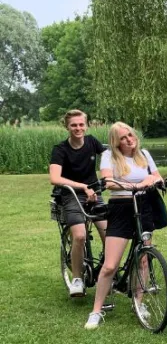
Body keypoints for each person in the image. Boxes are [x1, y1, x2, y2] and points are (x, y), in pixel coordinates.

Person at [84, 122, 163, 330]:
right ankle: (96, 310)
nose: (129, 139)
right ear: (115, 142)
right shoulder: (109, 156)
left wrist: (150, 181)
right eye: (123, 138)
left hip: (143, 207)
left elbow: (157, 177)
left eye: (130, 135)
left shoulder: (144, 154)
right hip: (120, 208)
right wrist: (139, 184)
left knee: (144, 258)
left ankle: (139, 303)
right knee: (110, 265)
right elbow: (108, 182)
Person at [49, 109, 108, 297]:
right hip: (71, 195)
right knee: (80, 236)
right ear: (67, 127)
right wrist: (83, 186)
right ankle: (77, 278)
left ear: (86, 125)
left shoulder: (92, 142)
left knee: (110, 233)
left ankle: (106, 272)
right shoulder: (60, 150)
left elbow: (109, 159)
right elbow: (55, 178)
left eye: (81, 124)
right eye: (74, 125)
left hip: (94, 193)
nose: (78, 128)